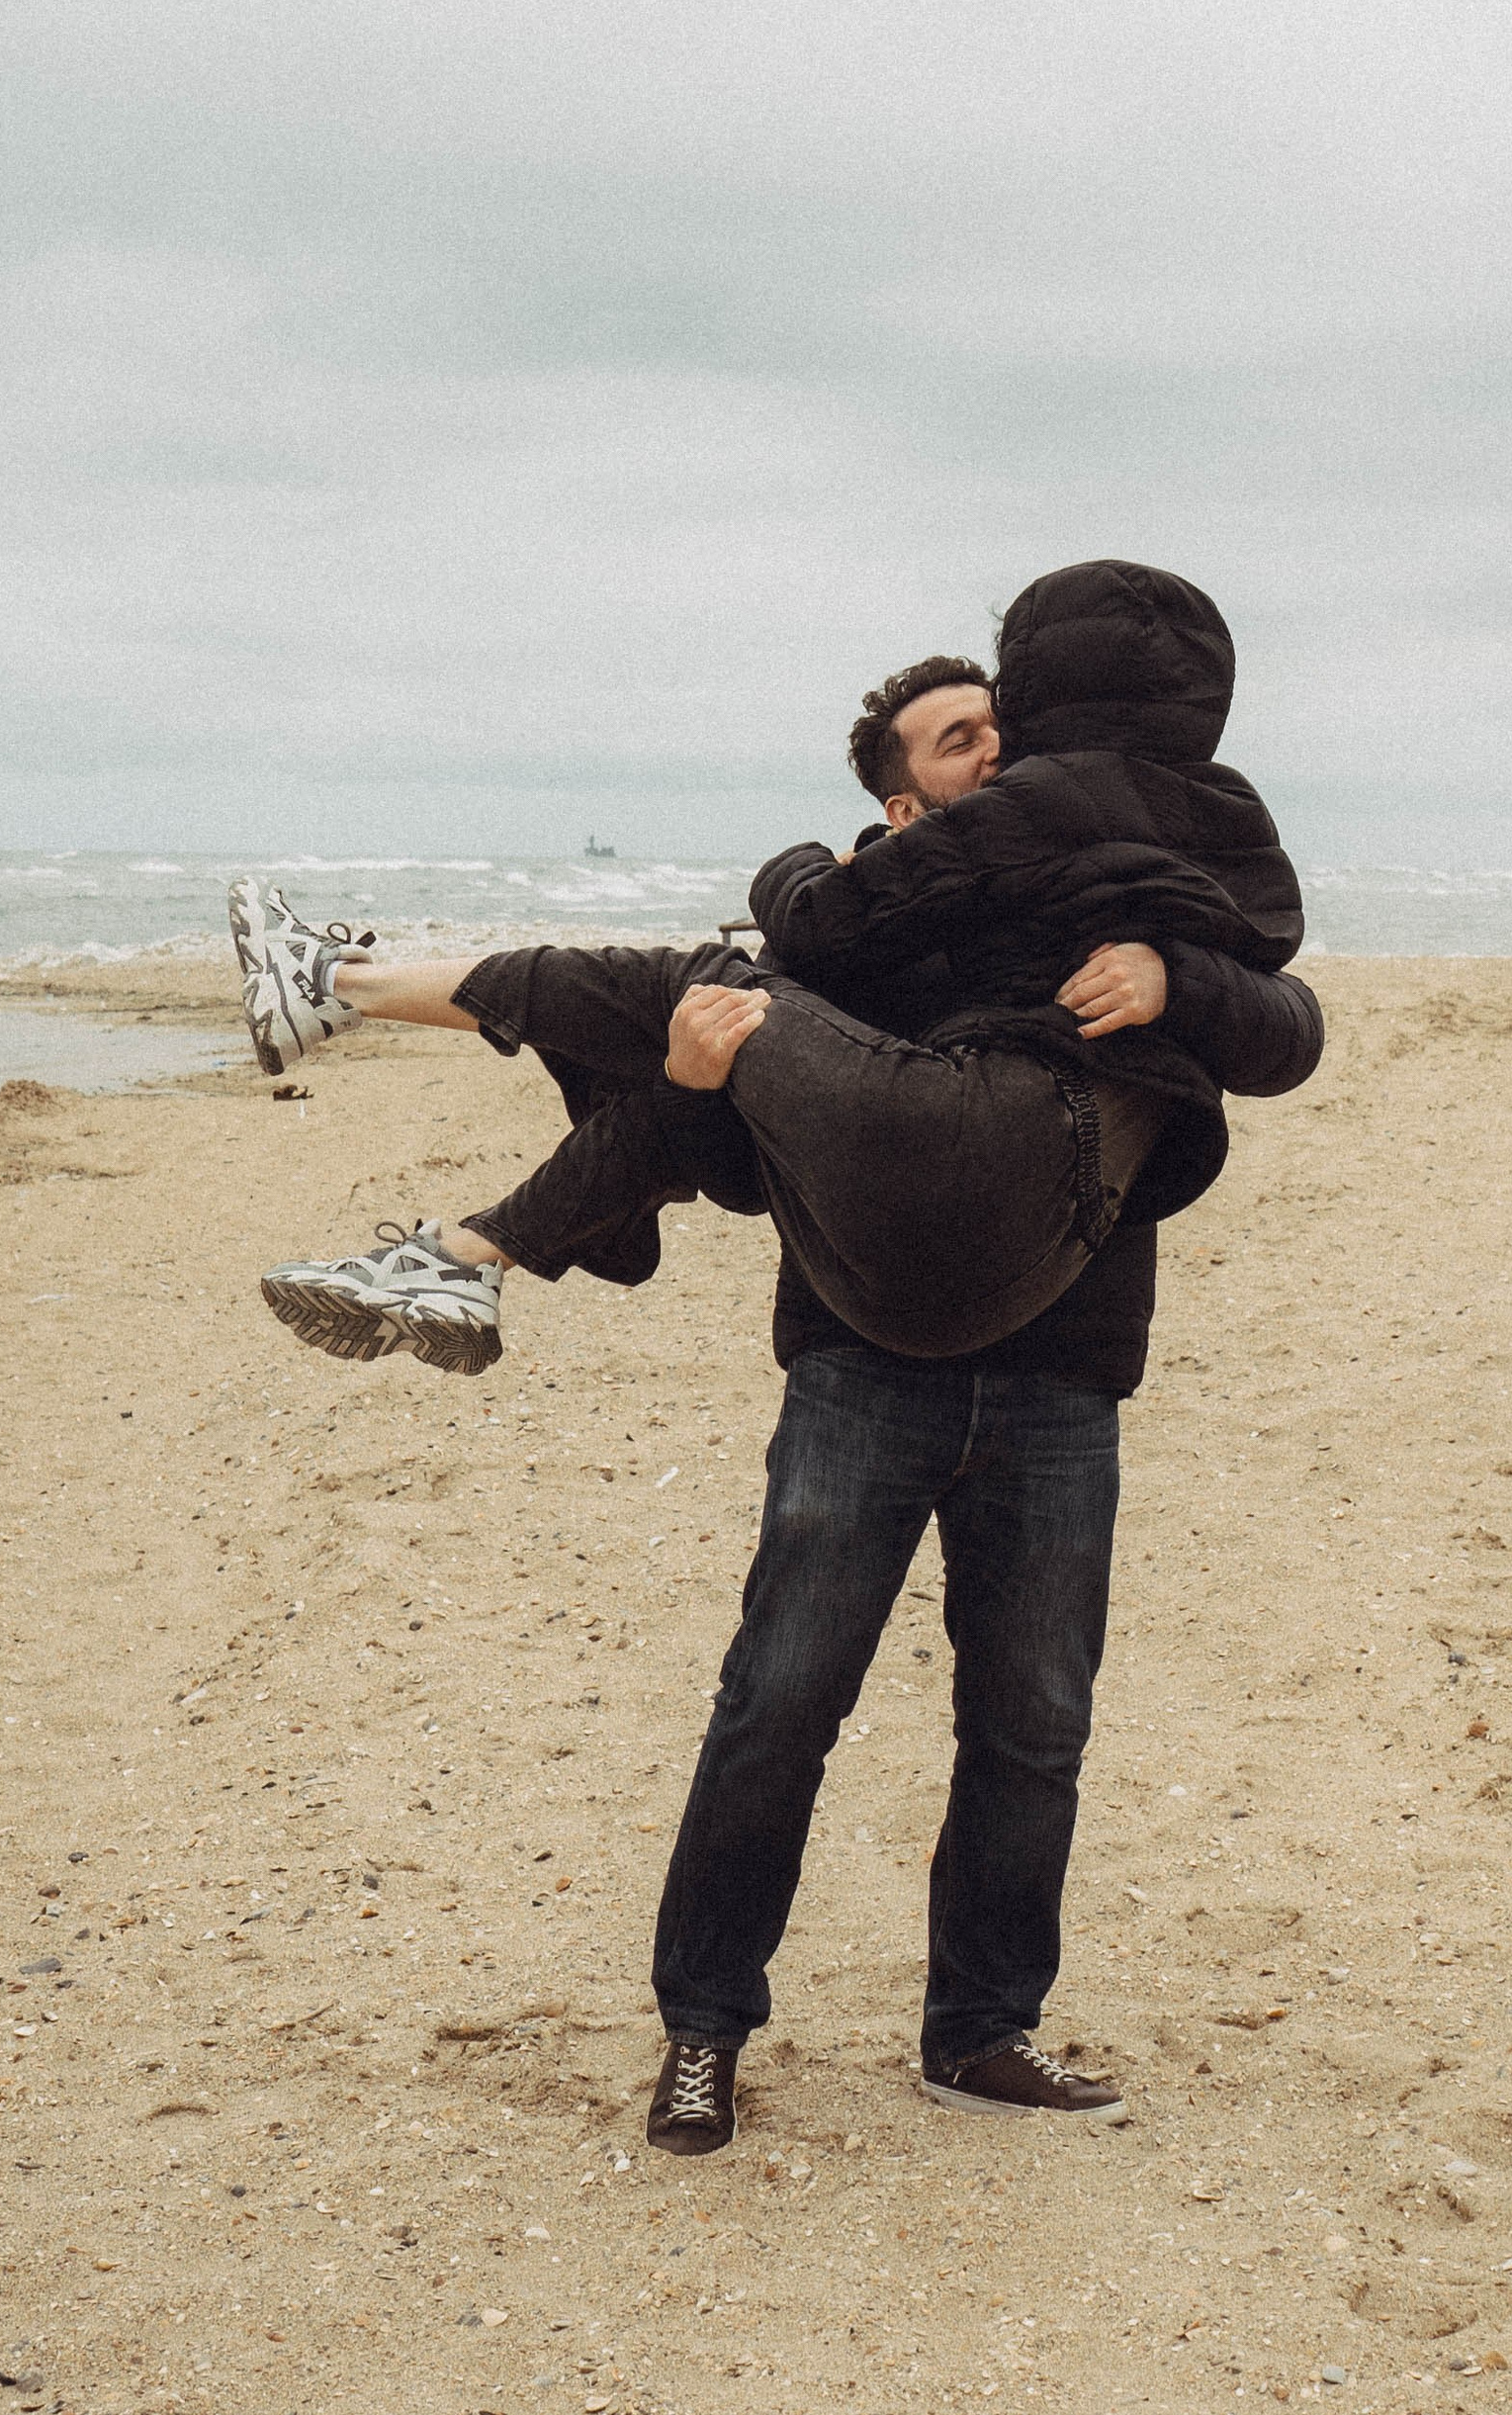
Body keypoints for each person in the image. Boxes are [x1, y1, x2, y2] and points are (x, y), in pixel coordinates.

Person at [239, 564, 1324, 2144]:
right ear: (902, 807)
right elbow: (747, 1166)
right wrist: (694, 1082)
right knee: (779, 1704)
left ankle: (983, 2033)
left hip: (1062, 1371)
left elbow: (1286, 1023)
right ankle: (704, 2032)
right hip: (860, 1368)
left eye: (1003, 726)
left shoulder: (1123, 891)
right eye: (960, 742)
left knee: (1034, 1723)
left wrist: (1179, 980)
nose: (999, 754)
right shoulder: (856, 938)